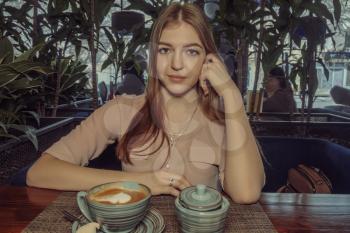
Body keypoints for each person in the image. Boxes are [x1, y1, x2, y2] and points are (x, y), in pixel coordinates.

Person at [27, 3, 265, 204]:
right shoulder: (122, 110)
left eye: (191, 52)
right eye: (165, 50)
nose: (177, 64)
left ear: (208, 59)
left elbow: (246, 194)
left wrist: (232, 95)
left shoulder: (224, 121)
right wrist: (141, 182)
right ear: (153, 56)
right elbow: (40, 173)